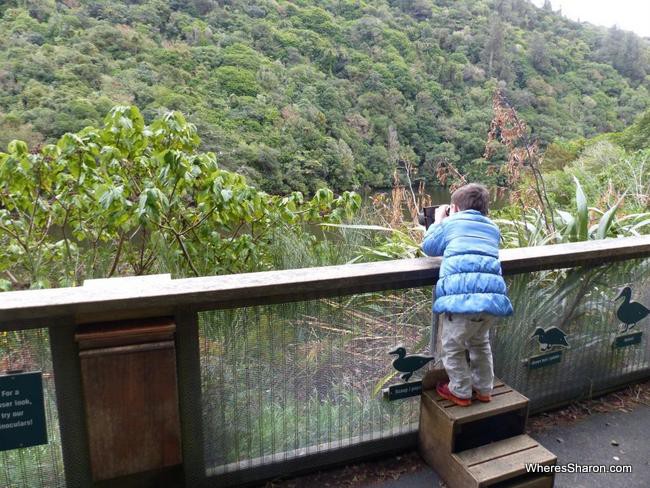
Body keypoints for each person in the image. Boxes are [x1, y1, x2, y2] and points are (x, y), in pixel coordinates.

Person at [421, 183, 513, 407]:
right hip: (491, 300)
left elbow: (429, 247)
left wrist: (439, 219)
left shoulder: (451, 222)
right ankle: (483, 389)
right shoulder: (492, 227)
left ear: (455, 207)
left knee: (452, 347)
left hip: (463, 301)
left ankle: (460, 391)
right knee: (480, 343)